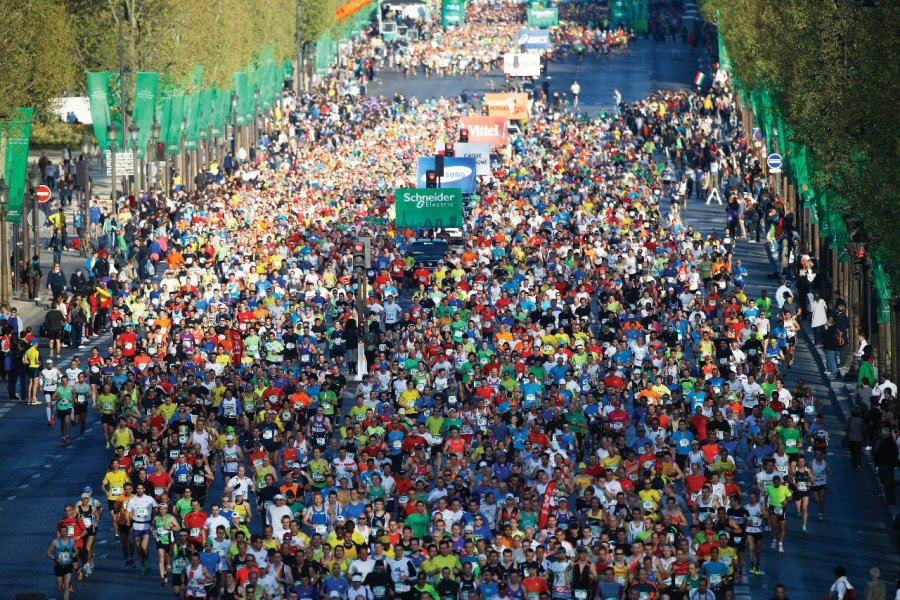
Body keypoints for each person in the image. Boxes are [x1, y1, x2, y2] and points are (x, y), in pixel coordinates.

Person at [48, 523, 78, 600]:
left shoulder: (71, 541)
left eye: (65, 531)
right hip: (59, 566)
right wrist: (55, 559)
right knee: (59, 588)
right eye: (62, 531)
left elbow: (76, 550)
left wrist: (75, 554)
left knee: (67, 587)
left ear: (67, 532)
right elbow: (48, 552)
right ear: (59, 532)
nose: (64, 533)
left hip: (68, 566)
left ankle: (67, 585)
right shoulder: (56, 542)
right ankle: (63, 584)